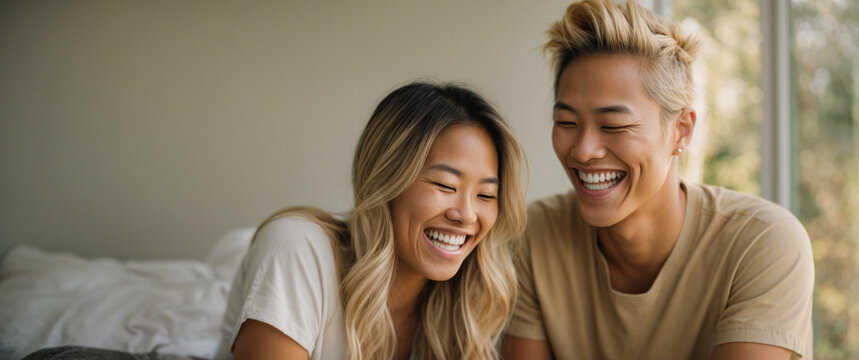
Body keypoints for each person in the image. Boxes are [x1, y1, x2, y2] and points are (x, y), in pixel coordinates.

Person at [501, 1, 814, 359]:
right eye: (567, 123)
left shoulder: (762, 243)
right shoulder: (532, 239)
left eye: (614, 126)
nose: (583, 150)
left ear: (681, 131)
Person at [215, 82, 527, 359]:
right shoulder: (297, 248)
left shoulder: (469, 301)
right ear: (386, 181)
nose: (467, 215)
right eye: (446, 186)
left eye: (486, 196)